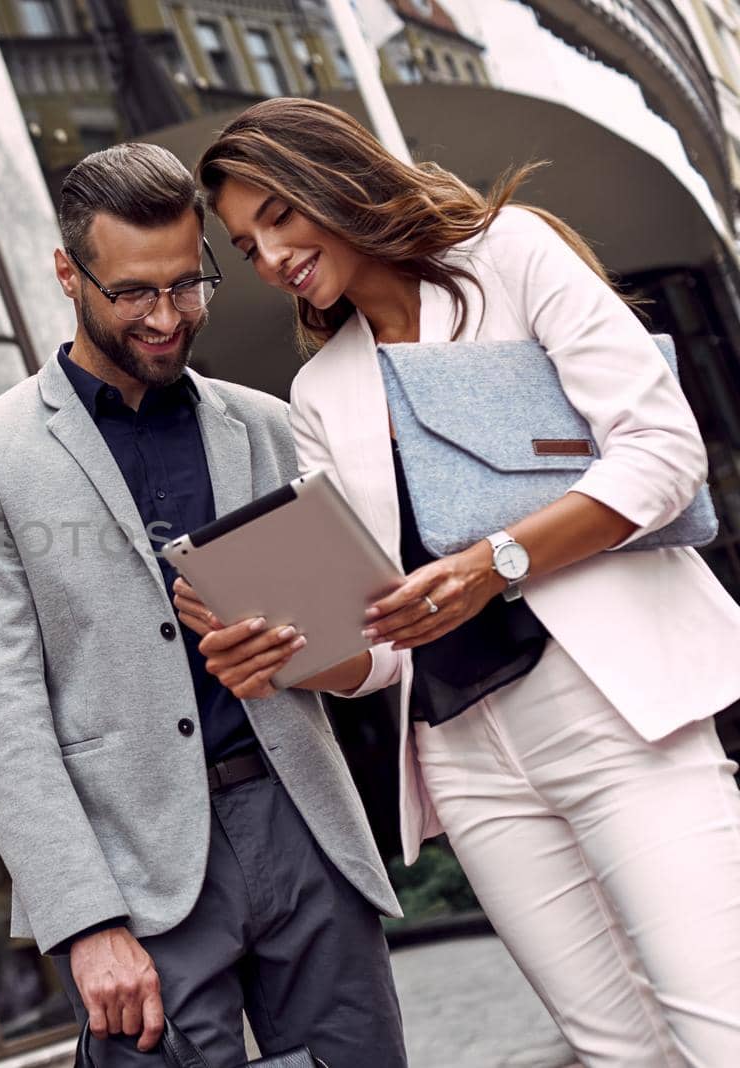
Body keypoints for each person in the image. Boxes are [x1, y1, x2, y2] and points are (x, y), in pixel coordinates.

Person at [178, 97, 740, 1066]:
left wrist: (494, 563)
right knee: (615, 1052)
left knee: (718, 1025)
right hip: (467, 760)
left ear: (332, 179)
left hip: (612, 713)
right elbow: (382, 648)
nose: (269, 260)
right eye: (244, 244)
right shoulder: (320, 392)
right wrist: (290, 652)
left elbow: (661, 451)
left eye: (277, 217)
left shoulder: (510, 256)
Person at [0, 142, 408, 1068]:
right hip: (134, 878)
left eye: (187, 287)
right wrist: (84, 923)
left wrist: (299, 645)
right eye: (134, 294)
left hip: (302, 833)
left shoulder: (266, 424)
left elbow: (361, 640)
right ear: (70, 274)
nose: (165, 317)